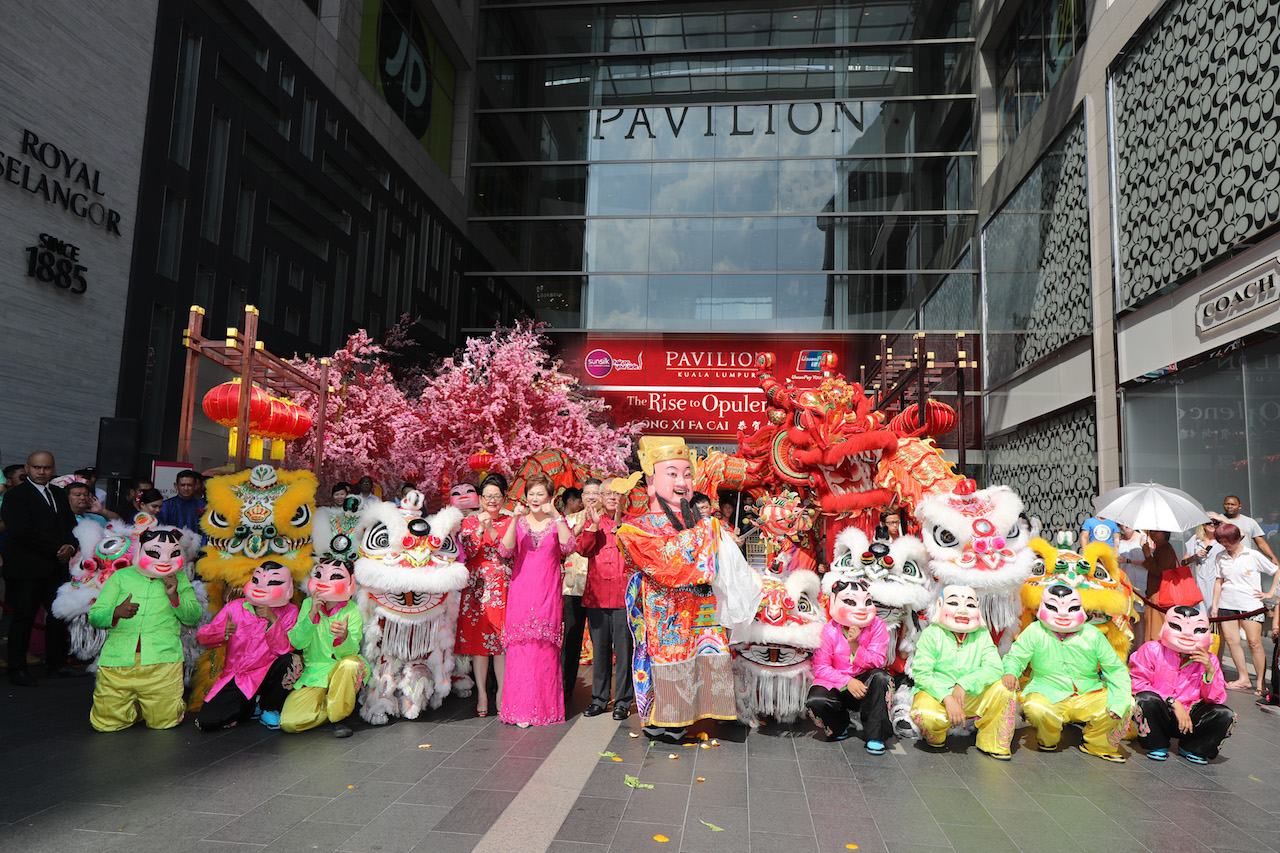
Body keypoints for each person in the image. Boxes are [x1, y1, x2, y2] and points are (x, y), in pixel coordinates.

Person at [615, 437, 759, 743]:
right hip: (666, 613)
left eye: (687, 473)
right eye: (672, 473)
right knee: (671, 659)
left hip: (700, 610)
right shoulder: (638, 528)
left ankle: (696, 714)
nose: (682, 481)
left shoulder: (700, 523)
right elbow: (666, 561)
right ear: (651, 482)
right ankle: (666, 719)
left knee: (703, 654)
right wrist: (706, 535)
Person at [1001, 583, 1134, 762]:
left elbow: (1116, 670)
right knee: (1037, 709)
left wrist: (1119, 701)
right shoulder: (1035, 631)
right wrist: (1011, 672)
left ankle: (1098, 744)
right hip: (1047, 691)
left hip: (1089, 693)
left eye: (1071, 608)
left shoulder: (1093, 635)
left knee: (1127, 703)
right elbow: (1016, 657)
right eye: (1053, 607)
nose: (1063, 614)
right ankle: (1048, 739)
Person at [87, 528, 203, 731]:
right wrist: (115, 612)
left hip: (162, 661)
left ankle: (145, 707)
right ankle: (136, 707)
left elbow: (193, 616)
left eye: (173, 554)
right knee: (106, 724)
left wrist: (174, 595)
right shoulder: (121, 577)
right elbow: (95, 616)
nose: (165, 560)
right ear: (140, 550)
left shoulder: (180, 579)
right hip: (118, 661)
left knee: (164, 722)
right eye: (155, 553)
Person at [498, 473, 576, 727]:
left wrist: (556, 515)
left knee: (544, 651)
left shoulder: (557, 523)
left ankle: (543, 709)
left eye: (540, 493)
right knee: (520, 651)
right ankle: (519, 710)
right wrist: (514, 519)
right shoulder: (519, 522)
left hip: (547, 592)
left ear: (550, 497)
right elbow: (505, 550)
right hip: (521, 591)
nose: (534, 497)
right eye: (531, 492)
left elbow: (569, 547)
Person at [909, 585, 1017, 760]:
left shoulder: (982, 634)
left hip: (971, 695)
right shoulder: (931, 634)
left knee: (1005, 691)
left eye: (970, 605)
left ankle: (994, 742)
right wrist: (947, 697)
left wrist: (965, 684)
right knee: (926, 714)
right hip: (938, 697)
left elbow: (994, 667)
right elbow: (922, 674)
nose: (962, 611)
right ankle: (935, 734)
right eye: (953, 603)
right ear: (940, 605)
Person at [1, 451, 79, 685]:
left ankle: (56, 664)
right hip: (27, 569)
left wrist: (71, 546)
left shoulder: (57, 493)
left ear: (53, 469)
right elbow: (21, 531)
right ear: (27, 468)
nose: (41, 472)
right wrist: (59, 547)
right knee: (23, 618)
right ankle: (17, 668)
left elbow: (70, 525)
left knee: (57, 617)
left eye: (46, 468)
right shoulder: (16, 496)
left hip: (56, 568)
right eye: (37, 467)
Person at [194, 561, 300, 731]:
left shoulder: (290, 611)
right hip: (238, 676)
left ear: (289, 588)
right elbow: (203, 637)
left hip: (266, 673)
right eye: (256, 580)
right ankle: (250, 706)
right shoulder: (234, 607)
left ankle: (269, 707)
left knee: (291, 661)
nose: (261, 587)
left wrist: (273, 620)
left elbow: (283, 649)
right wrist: (221, 631)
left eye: (272, 583)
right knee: (208, 721)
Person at [1129, 606, 1235, 763]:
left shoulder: (1210, 659)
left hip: (1191, 719)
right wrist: (1172, 702)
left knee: (1224, 714)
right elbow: (1137, 683)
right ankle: (1156, 743)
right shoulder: (1151, 649)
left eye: (1198, 630)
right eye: (1177, 627)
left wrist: (1210, 672)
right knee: (1146, 700)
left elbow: (1216, 699)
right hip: (1161, 712)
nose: (1187, 634)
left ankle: (1194, 747)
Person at [281, 558, 368, 738]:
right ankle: (330, 706)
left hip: (342, 668)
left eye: (334, 576)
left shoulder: (352, 610)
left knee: (350, 664)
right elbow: (297, 643)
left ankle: (338, 718)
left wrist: (344, 637)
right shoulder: (307, 605)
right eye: (319, 575)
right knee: (289, 723)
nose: (324, 581)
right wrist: (312, 613)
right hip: (315, 672)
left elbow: (351, 652)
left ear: (350, 582)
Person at [805, 576, 893, 753]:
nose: (861, 607)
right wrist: (847, 682)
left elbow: (878, 660)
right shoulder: (829, 630)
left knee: (881, 678)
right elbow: (821, 667)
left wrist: (855, 646)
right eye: (850, 601)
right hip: (838, 683)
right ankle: (840, 724)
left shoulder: (877, 626)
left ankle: (875, 735)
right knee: (816, 701)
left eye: (867, 602)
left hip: (865, 681)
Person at [576, 477, 635, 720]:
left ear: (624, 497)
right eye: (607, 493)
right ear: (599, 497)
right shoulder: (592, 522)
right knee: (599, 652)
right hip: (597, 597)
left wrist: (620, 525)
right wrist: (592, 525)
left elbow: (634, 554)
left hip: (623, 598)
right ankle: (599, 699)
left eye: (617, 493)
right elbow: (582, 549)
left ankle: (622, 701)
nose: (612, 497)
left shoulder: (632, 522)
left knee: (623, 652)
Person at [457, 473, 514, 717]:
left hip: (502, 587)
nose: (492, 500)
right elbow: (469, 551)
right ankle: (482, 693)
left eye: (497, 496)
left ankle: (501, 692)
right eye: (487, 496)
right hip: (476, 589)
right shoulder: (468, 522)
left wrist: (493, 528)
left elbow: (508, 552)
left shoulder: (511, 521)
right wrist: (481, 528)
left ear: (504, 498)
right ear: (480, 498)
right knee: (480, 646)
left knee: (501, 644)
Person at [1210, 522, 1278, 693]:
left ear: (1236, 539)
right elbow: (1219, 581)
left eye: (1228, 541)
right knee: (1232, 642)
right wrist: (1215, 605)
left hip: (1251, 604)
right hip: (1227, 603)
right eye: (1221, 541)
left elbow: (1276, 570)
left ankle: (1261, 682)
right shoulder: (1220, 556)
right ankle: (1244, 678)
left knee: (1254, 642)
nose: (1225, 544)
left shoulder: (1252, 555)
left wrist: (1270, 593)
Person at [560, 485, 589, 702]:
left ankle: (600, 692)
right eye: (584, 495)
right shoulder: (564, 521)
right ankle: (563, 685)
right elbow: (561, 548)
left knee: (598, 641)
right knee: (570, 637)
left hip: (597, 586)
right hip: (570, 586)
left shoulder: (602, 519)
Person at [1139, 530, 1179, 643]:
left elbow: (1161, 572)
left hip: (1160, 593)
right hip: (1155, 592)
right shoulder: (1160, 548)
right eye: (1151, 530)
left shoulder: (1166, 549)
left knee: (1157, 627)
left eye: (1157, 531)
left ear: (1165, 533)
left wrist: (1148, 556)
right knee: (1152, 625)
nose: (1153, 533)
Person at [1222, 495, 1279, 566]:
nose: (1229, 506)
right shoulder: (1217, 520)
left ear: (1239, 507)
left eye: (1233, 504)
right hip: (1224, 560)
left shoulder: (1249, 521)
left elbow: (1260, 542)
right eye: (1227, 504)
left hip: (1245, 561)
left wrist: (1273, 557)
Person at [1185, 516, 1226, 613]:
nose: (1212, 524)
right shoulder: (1195, 540)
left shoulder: (1223, 540)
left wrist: (1221, 519)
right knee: (1200, 613)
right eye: (1208, 522)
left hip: (1217, 581)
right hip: (1198, 581)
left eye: (1216, 522)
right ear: (1203, 524)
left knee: (1218, 612)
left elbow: (1241, 534)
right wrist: (1195, 556)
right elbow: (1184, 562)